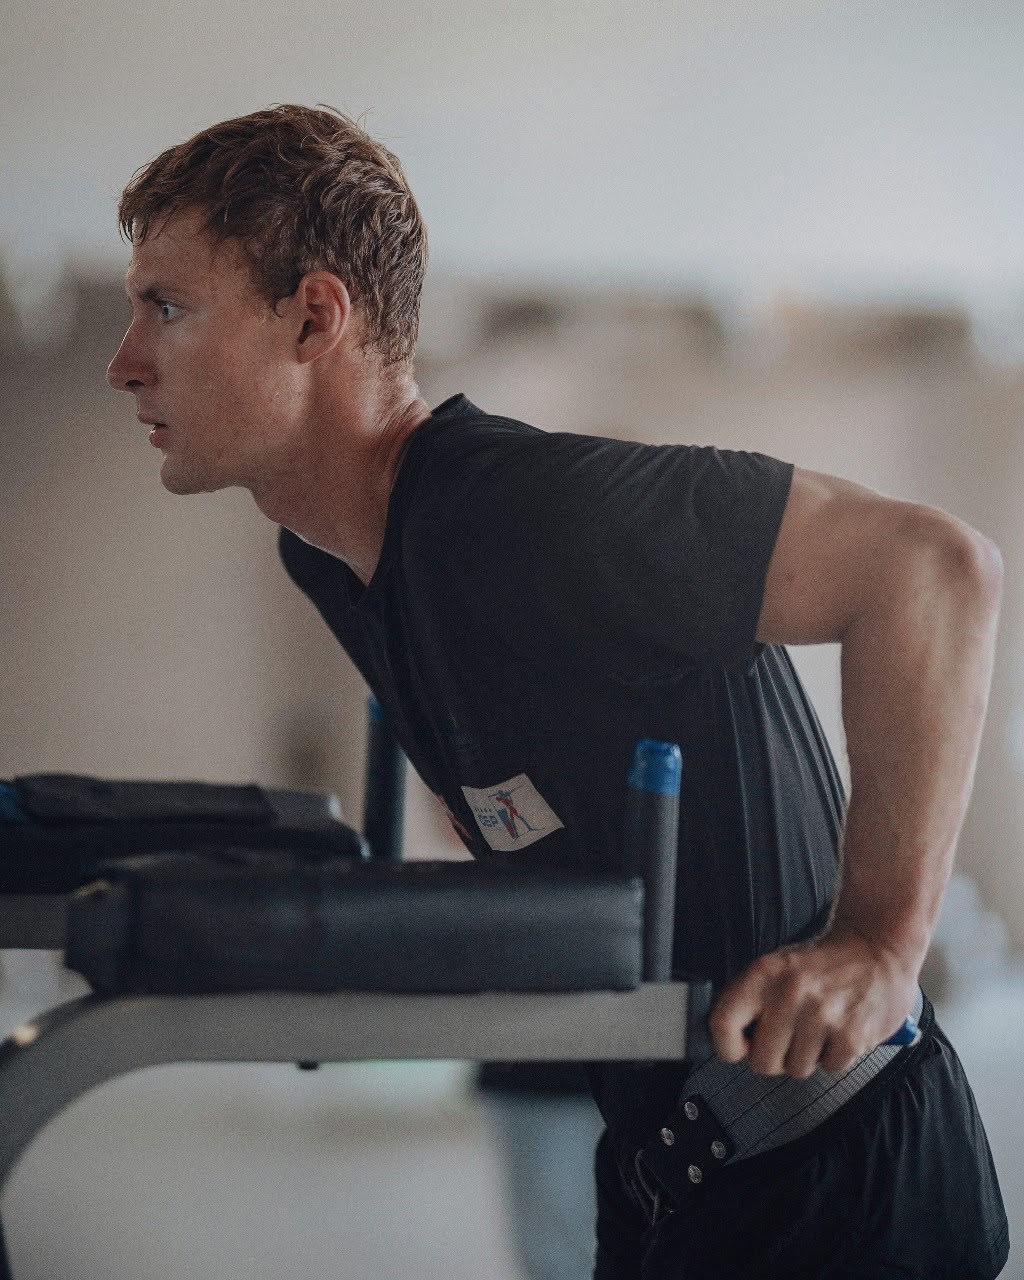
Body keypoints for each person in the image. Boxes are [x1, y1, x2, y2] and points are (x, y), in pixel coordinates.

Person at [106, 105, 1009, 1278]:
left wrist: (880, 941)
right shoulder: (333, 559)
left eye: (168, 308)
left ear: (315, 317)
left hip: (838, 1181)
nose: (126, 359)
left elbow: (931, 567)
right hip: (662, 1173)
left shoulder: (528, 508)